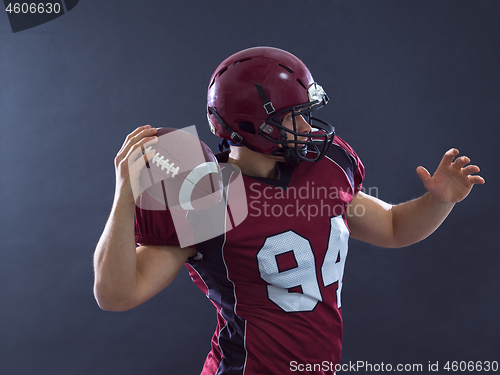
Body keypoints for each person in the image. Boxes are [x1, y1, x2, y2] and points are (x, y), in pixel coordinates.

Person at [93, 47, 484, 375]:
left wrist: (439, 200)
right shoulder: (205, 196)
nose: (306, 125)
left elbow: (395, 227)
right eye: (291, 117)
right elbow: (116, 295)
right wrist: (126, 193)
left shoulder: (324, 167)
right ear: (251, 126)